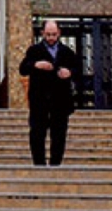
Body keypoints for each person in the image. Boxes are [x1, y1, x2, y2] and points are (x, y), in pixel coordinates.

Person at [18, 19, 81, 166]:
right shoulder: (34, 50)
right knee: (37, 133)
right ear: (42, 33)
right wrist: (36, 64)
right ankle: (39, 164)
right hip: (39, 100)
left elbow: (78, 71)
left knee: (59, 134)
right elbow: (23, 69)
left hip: (60, 100)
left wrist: (69, 72)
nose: (51, 38)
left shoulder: (67, 52)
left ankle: (55, 164)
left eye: (53, 34)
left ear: (59, 33)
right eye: (48, 34)